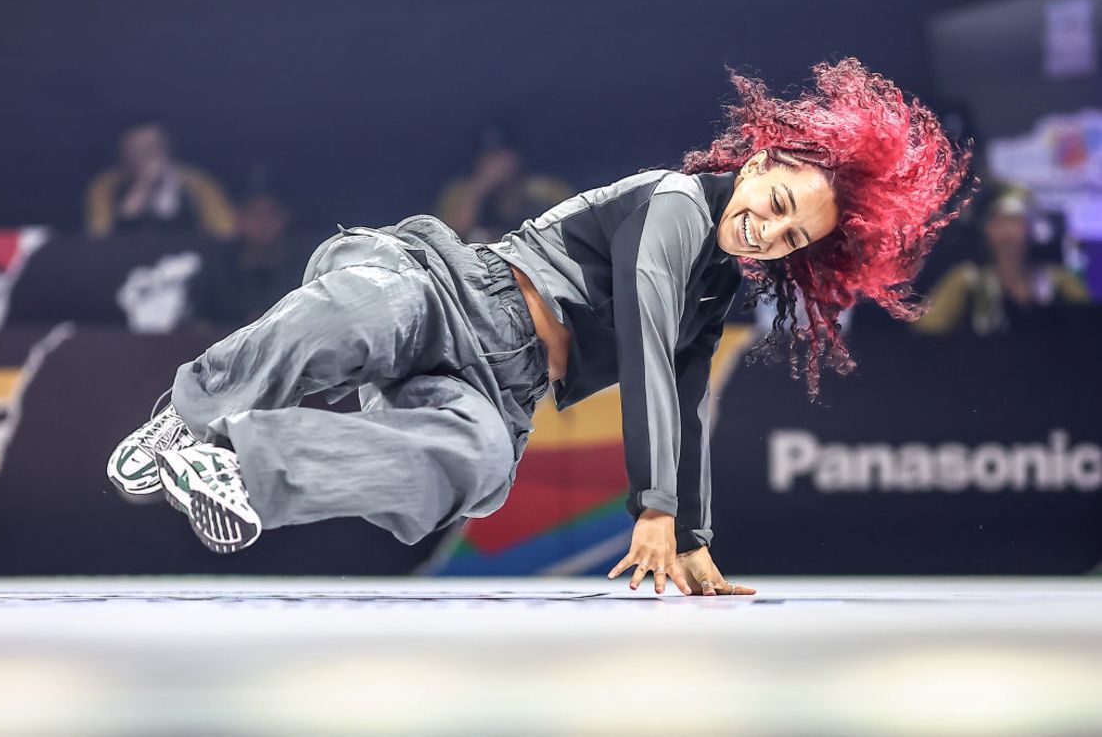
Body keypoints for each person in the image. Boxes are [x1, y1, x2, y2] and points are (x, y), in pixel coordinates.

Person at [106, 58, 972, 596]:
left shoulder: (718, 285)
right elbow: (639, 337)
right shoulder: (674, 203)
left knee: (481, 466)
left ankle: (236, 475)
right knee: (364, 311)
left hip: (498, 386)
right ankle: (189, 415)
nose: (769, 233)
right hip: (446, 287)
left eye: (791, 238)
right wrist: (655, 509)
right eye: (777, 205)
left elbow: (683, 394)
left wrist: (697, 538)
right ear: (761, 160)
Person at [914, 186, 1090, 336]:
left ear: (1034, 229)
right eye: (1000, 222)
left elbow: (1092, 328)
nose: (1008, 232)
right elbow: (926, 331)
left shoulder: (1059, 282)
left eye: (1016, 222)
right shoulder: (966, 282)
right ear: (986, 229)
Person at [84, 120, 236, 240]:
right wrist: (140, 191)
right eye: (137, 151)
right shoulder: (106, 186)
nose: (148, 157)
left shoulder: (197, 184)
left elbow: (226, 232)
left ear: (168, 148)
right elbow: (98, 238)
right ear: (123, 156)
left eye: (153, 148)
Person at [435, 124, 573, 242]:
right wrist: (480, 187)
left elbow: (573, 227)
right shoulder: (462, 192)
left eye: (502, 156)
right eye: (488, 157)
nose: (496, 164)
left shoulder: (545, 189)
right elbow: (449, 240)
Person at [190, 192, 308, 327]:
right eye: (254, 215)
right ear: (239, 218)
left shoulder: (303, 265)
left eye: (271, 215)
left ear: (285, 217)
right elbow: (199, 319)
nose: (263, 223)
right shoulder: (217, 265)